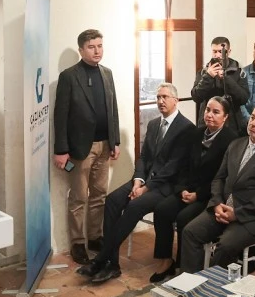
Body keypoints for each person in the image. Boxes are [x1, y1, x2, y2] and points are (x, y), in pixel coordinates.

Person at [81, 83, 195, 283]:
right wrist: (137, 181)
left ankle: (101, 259)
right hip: (145, 180)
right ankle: (112, 264)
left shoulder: (186, 128)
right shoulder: (153, 124)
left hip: (166, 186)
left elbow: (173, 167)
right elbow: (143, 157)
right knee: (112, 200)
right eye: (158, 97)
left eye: (165, 97)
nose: (160, 101)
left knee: (133, 206)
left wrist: (146, 188)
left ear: (176, 101)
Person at [179, 104, 255, 273]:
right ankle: (192, 281)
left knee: (225, 245)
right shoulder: (236, 144)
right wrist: (217, 203)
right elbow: (219, 178)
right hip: (223, 207)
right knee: (190, 232)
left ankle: (213, 285)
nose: (253, 123)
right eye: (252, 118)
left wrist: (237, 214)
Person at [150, 96, 237, 283]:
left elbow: (222, 177)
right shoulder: (196, 134)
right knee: (162, 210)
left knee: (184, 218)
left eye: (216, 112)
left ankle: (184, 266)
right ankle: (166, 260)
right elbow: (183, 166)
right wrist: (182, 189)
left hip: (208, 196)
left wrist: (198, 195)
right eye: (208, 110)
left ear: (225, 117)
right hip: (187, 190)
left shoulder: (231, 140)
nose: (210, 115)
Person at [53, 29, 122, 265]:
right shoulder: (69, 76)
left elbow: (112, 109)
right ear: (81, 50)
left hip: (104, 146)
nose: (97, 51)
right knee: (79, 197)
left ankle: (94, 237)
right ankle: (77, 243)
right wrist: (61, 150)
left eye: (100, 46)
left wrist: (115, 141)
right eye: (92, 47)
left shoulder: (107, 73)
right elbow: (60, 116)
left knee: (99, 195)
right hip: (79, 150)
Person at [191, 36, 249, 131]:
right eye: (214, 51)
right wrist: (208, 76)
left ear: (229, 52)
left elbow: (243, 99)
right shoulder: (203, 72)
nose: (217, 55)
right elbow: (196, 97)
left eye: (221, 52)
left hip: (231, 125)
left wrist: (225, 78)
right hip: (207, 124)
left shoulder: (239, 72)